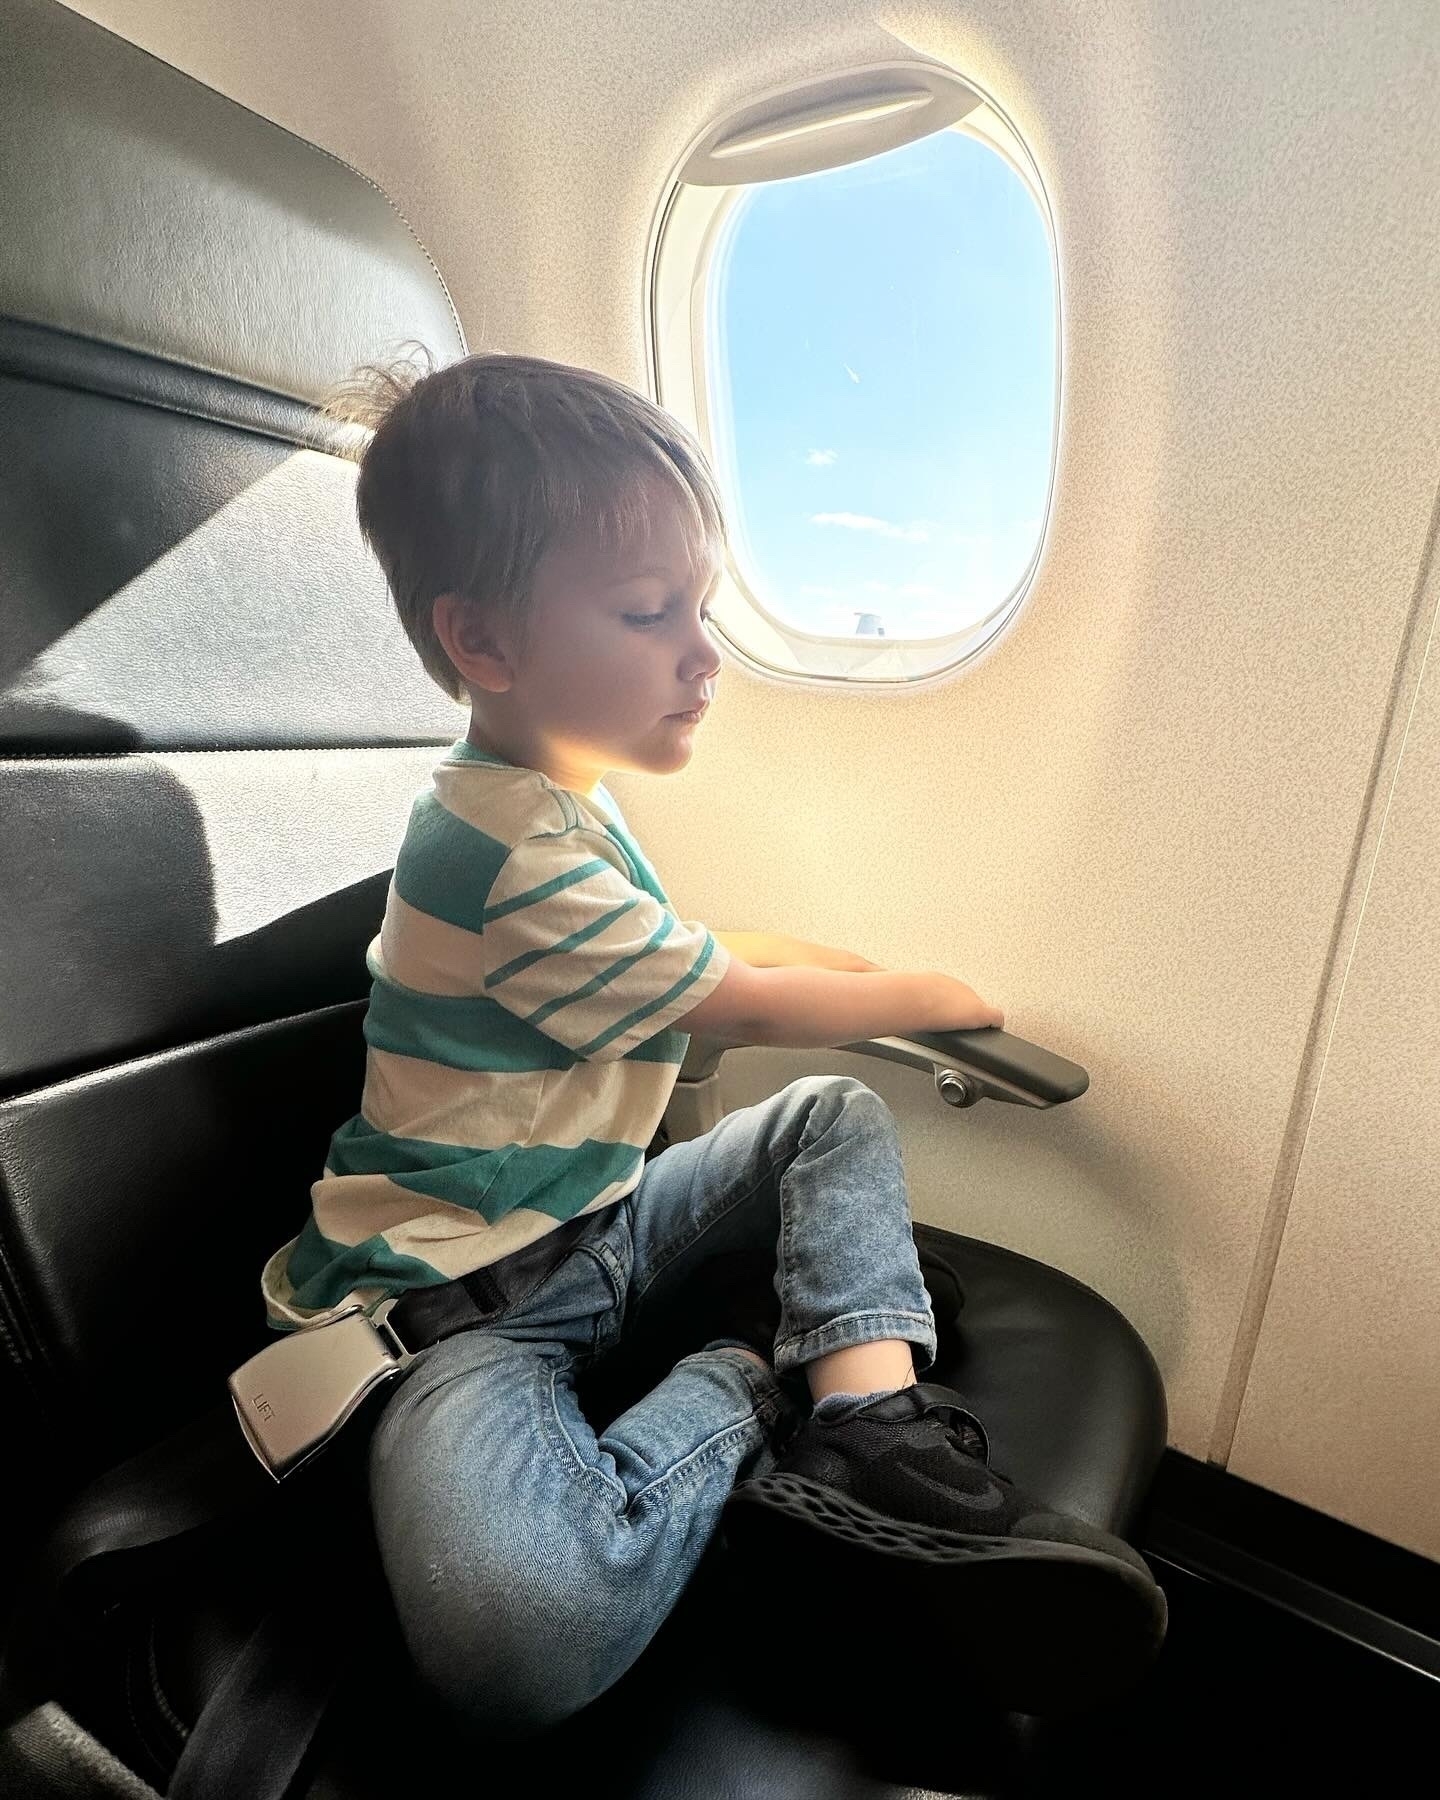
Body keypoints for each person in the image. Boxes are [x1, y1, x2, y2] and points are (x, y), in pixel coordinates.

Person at [259, 350, 1166, 1739]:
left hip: (603, 1223)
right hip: (464, 1301)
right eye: (648, 613)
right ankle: (752, 1376)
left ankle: (872, 1441)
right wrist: (920, 991)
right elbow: (727, 1000)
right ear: (483, 643)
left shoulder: (559, 801)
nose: (703, 655)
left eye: (704, 607)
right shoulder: (499, 851)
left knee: (827, 1117)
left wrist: (832, 959)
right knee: (518, 1641)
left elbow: (691, 948)